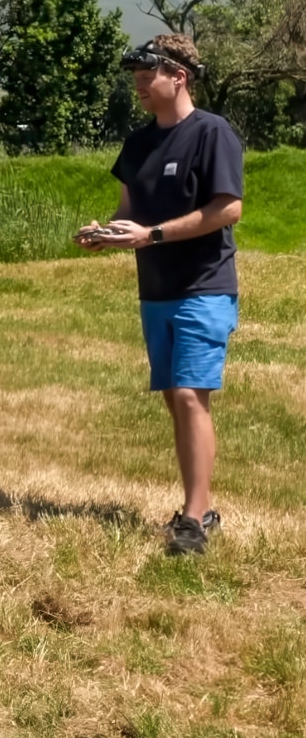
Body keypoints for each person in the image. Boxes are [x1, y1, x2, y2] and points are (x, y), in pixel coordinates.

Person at [77, 33, 244, 556]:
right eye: (135, 80)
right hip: (156, 291)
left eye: (148, 77)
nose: (140, 87)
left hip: (204, 286)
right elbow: (130, 212)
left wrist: (151, 236)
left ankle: (193, 521)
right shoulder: (137, 144)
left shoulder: (212, 133)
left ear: (179, 76)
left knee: (192, 393)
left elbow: (227, 209)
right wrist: (106, 234)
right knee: (177, 397)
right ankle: (202, 505)